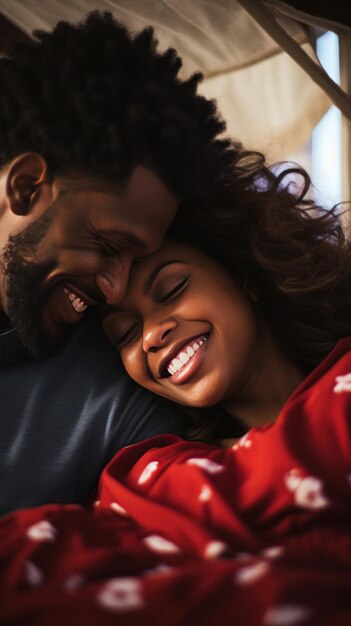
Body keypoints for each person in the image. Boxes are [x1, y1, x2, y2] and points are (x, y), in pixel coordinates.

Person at [1, 152, 351, 625]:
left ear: (243, 276)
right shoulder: (144, 475)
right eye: (124, 334)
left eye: (172, 289)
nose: (150, 336)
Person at [0, 11, 239, 514]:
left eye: (135, 258)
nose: (113, 290)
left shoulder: (120, 396)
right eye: (108, 242)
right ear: (25, 188)